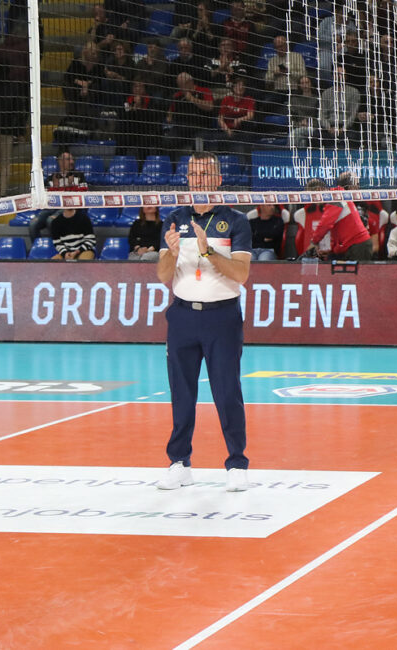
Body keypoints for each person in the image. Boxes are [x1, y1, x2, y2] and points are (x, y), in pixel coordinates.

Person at [155, 151, 253, 492]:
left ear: (218, 179)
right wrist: (170, 252)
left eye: (206, 173)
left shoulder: (235, 221)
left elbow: (241, 274)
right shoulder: (174, 217)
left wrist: (207, 251)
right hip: (182, 316)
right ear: (187, 178)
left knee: (227, 392)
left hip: (222, 318)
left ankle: (237, 463)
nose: (199, 179)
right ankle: (179, 462)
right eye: (194, 174)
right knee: (182, 394)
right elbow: (162, 276)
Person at [302, 178, 373, 261]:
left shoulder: (336, 197)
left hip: (359, 246)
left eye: (312, 198)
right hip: (354, 246)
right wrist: (331, 250)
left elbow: (325, 224)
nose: (314, 202)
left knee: (359, 274)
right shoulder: (335, 199)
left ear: (319, 190)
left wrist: (314, 242)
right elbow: (336, 233)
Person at [31, 150, 88, 243]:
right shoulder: (51, 178)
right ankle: (39, 248)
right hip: (52, 208)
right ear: (60, 161)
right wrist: (56, 187)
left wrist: (70, 185)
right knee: (33, 224)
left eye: (72, 159)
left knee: (51, 221)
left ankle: (58, 248)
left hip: (69, 208)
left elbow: (84, 194)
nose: (72, 162)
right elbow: (45, 197)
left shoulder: (79, 176)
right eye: (68, 160)